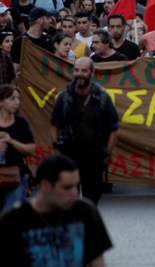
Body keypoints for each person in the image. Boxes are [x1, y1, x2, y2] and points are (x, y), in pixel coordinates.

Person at [0, 154, 113, 266]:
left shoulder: (85, 211)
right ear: (45, 185)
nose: (75, 192)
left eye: (76, 185)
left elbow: (97, 261)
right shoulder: (13, 219)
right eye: (67, 187)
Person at [49, 57, 120, 205]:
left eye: (84, 70)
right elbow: (55, 125)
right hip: (70, 154)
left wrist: (107, 152)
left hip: (94, 155)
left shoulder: (102, 97)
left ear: (92, 73)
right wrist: (57, 151)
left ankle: (88, 224)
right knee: (68, 198)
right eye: (76, 70)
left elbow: (114, 128)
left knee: (92, 198)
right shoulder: (64, 97)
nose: (80, 74)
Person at [0, 85, 35, 210]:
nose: (17, 102)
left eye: (18, 99)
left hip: (15, 177)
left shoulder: (21, 123)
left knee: (12, 217)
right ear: (1, 102)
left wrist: (12, 141)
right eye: (12, 99)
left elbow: (31, 149)